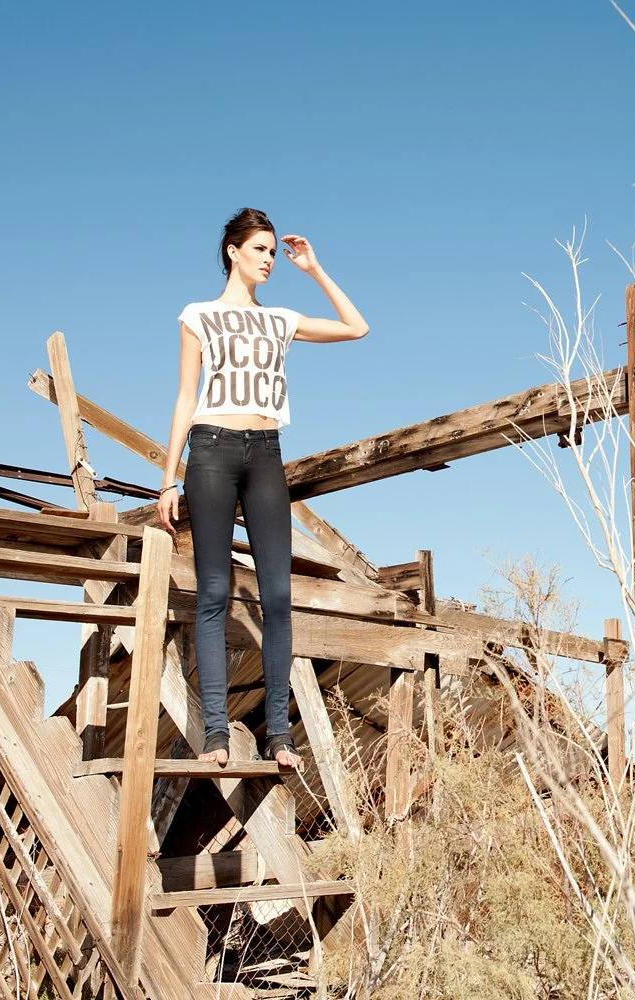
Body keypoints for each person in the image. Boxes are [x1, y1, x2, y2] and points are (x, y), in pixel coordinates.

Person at [157, 208, 368, 770]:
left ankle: (279, 736)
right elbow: (185, 397)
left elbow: (356, 327)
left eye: (275, 251)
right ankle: (217, 738)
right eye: (260, 250)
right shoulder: (197, 315)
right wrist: (167, 477)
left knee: (277, 596)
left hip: (266, 454)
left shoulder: (281, 320)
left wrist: (316, 269)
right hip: (211, 451)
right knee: (214, 593)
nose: (270, 260)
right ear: (232, 251)